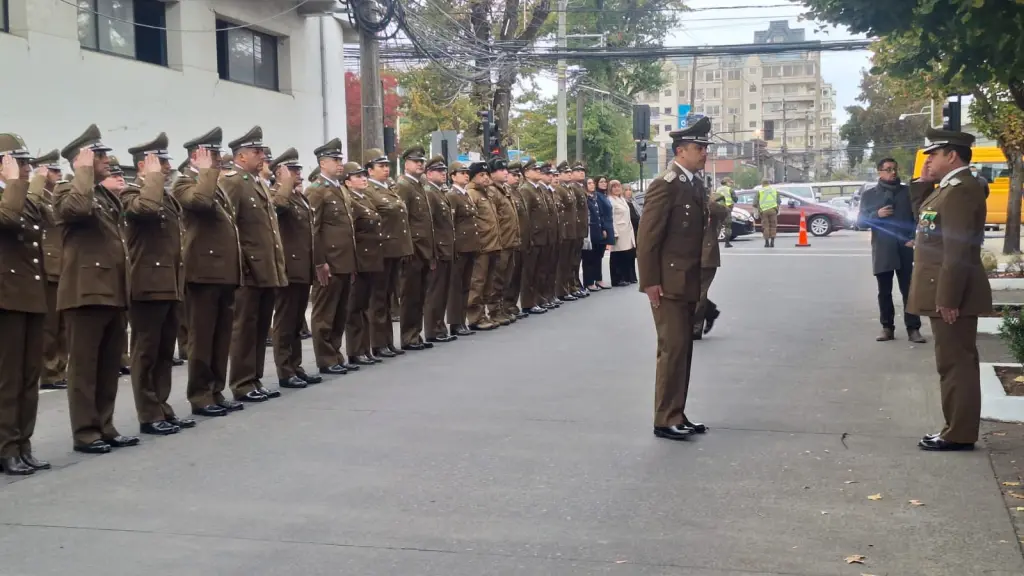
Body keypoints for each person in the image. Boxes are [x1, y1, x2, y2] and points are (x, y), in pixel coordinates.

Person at [54, 125, 139, 454]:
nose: (107, 159)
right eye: (98, 155)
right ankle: (85, 431)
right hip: (85, 293)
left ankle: (105, 424)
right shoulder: (67, 190)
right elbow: (77, 209)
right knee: (84, 368)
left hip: (112, 291)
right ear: (81, 160)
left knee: (107, 366)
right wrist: (84, 172)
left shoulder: (104, 195)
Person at [909, 128, 993, 452]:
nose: (929, 159)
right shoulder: (949, 188)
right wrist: (921, 181)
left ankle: (958, 433)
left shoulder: (960, 190)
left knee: (956, 363)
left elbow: (956, 251)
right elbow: (926, 222)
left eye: (934, 154)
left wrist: (948, 298)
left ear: (952, 155)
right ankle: (954, 428)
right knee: (952, 361)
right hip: (942, 287)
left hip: (950, 291)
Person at [636, 117, 712, 442]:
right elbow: (648, 238)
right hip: (667, 283)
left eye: (705, 147)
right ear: (681, 151)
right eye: (699, 148)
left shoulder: (694, 183)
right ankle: (664, 418)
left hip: (687, 280)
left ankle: (677, 412)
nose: (705, 153)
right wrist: (650, 282)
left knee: (684, 350)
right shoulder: (665, 184)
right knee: (672, 348)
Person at [121, 133, 195, 436]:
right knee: (146, 352)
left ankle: (162, 405)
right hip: (146, 285)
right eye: (160, 162)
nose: (167, 167)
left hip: (169, 283)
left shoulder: (164, 196)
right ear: (144, 166)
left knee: (165, 352)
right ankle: (148, 413)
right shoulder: (130, 194)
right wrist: (150, 179)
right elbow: (145, 210)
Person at [174, 127, 244, 418]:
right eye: (211, 154)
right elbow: (199, 204)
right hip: (202, 273)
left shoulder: (212, 183)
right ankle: (200, 394)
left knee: (220, 337)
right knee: (201, 339)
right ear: (196, 156)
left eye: (216, 154)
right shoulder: (183, 183)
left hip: (223, 273)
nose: (216, 160)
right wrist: (205, 172)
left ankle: (216, 389)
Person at [222, 126, 288, 403]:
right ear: (240, 156)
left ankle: (254, 378)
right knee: (245, 328)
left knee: (260, 328)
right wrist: (242, 265)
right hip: (249, 269)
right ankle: (241, 382)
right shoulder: (234, 182)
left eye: (262, 151)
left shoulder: (257, 182)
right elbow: (230, 227)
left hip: (265, 268)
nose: (262, 155)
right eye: (256, 151)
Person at [0, 134, 50, 474]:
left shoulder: (19, 194)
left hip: (29, 295)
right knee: (8, 378)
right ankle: (6, 448)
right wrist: (13, 181)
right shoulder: (9, 194)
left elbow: (46, 216)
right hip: (6, 298)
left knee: (29, 377)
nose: (28, 168)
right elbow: (7, 219)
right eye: (20, 161)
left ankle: (23, 443)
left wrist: (25, 183)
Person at [268, 148, 325, 387]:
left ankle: (296, 365)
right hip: (288, 267)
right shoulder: (277, 194)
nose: (298, 174)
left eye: (299, 169)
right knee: (284, 321)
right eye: (292, 170)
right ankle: (285, 370)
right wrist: (283, 184)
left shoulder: (298, 196)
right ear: (280, 173)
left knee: (295, 321)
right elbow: (278, 207)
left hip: (303, 267)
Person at [857, 157, 925, 344]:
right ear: (879, 171)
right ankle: (887, 327)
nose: (892, 172)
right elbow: (860, 222)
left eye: (895, 169)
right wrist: (876, 215)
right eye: (888, 169)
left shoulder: (907, 192)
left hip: (905, 247)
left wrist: (914, 238)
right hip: (883, 249)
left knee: (909, 290)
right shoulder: (870, 195)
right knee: (884, 291)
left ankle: (913, 328)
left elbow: (917, 218)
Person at [307, 138, 358, 375]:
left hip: (345, 261)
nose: (340, 164)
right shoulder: (317, 190)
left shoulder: (338, 189)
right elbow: (313, 229)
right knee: (324, 314)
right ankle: (326, 358)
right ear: (322, 163)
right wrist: (320, 262)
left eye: (341, 159)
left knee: (339, 313)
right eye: (335, 160)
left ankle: (335, 353)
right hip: (329, 262)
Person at [364, 148, 412, 358]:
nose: (385, 169)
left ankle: (387, 341)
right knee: (378, 299)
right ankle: (378, 342)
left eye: (387, 166)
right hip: (381, 250)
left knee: (388, 297)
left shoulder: (388, 188)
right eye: (381, 166)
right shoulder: (369, 191)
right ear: (369, 170)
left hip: (394, 250)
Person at [29, 149, 69, 391]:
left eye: (57, 169)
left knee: (62, 325)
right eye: (52, 170)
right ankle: (49, 371)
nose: (58, 174)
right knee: (50, 326)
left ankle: (59, 369)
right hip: (48, 265)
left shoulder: (56, 197)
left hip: (63, 265)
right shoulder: (37, 197)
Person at [340, 161, 385, 366]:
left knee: (365, 305)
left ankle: (365, 348)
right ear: (347, 182)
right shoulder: (349, 200)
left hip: (371, 258)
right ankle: (355, 350)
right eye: (357, 176)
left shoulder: (364, 198)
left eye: (363, 175)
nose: (363, 178)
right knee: (355, 308)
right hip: (359, 258)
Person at [394, 146, 435, 351]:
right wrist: (406, 249)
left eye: (422, 161)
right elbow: (402, 221)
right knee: (410, 296)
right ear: (406, 164)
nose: (420, 164)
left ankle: (415, 334)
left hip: (424, 249)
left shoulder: (419, 185)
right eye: (415, 161)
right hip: (413, 250)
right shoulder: (404, 186)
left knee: (419, 295)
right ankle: (408, 336)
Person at [421, 155, 457, 342]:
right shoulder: (430, 193)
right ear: (428, 174)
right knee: (435, 292)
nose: (444, 174)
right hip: (438, 249)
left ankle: (439, 327)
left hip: (447, 248)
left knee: (443, 291)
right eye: (439, 171)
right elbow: (431, 226)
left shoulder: (440, 192)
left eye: (444, 171)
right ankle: (432, 330)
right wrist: (433, 252)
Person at [465, 161, 502, 331]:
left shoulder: (486, 194)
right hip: (482, 246)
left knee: (488, 283)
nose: (486, 178)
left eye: (487, 175)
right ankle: (475, 317)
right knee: (477, 284)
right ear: (473, 177)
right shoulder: (472, 193)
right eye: (482, 175)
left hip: (493, 245)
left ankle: (484, 314)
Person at [445, 161, 480, 334]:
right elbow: (451, 224)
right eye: (461, 172)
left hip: (470, 246)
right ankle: (454, 322)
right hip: (459, 247)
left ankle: (461, 320)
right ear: (452, 176)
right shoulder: (452, 195)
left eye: (467, 172)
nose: (466, 175)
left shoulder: (465, 195)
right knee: (456, 286)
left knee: (466, 285)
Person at [518, 160, 549, 315]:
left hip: (542, 236)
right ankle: (528, 302)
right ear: (526, 173)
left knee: (539, 270)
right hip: (533, 237)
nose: (538, 171)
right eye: (535, 169)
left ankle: (538, 298)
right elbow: (526, 216)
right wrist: (528, 238)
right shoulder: (526, 190)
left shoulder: (537, 189)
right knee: (530, 272)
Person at [608, 180, 636, 286]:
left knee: (625, 254)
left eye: (618, 186)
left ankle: (625, 276)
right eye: (614, 187)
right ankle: (616, 279)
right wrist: (614, 232)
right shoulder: (610, 200)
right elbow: (611, 218)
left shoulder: (622, 199)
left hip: (627, 230)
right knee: (617, 255)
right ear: (610, 189)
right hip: (618, 230)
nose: (616, 189)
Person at [581, 177, 605, 291]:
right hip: (589, 231)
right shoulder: (585, 198)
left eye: (592, 183)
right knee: (588, 258)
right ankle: (589, 282)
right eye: (589, 183)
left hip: (597, 229)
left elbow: (599, 214)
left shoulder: (594, 198)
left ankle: (597, 279)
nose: (592, 185)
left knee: (597, 256)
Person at [593, 175, 615, 288]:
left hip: (608, 224)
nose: (604, 184)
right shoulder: (597, 196)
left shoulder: (604, 195)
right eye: (601, 182)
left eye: (605, 182)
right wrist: (603, 228)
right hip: (603, 227)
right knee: (597, 255)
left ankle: (598, 278)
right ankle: (597, 279)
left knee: (600, 255)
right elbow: (599, 213)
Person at [623, 185, 641, 283]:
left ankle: (632, 275)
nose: (629, 192)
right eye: (626, 190)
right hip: (628, 229)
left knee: (633, 254)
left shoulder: (633, 202)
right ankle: (627, 276)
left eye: (630, 190)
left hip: (636, 229)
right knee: (628, 254)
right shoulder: (624, 203)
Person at [753, 179, 779, 248]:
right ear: (769, 183)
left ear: (762, 184)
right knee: (773, 226)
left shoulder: (759, 191)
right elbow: (779, 201)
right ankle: (772, 242)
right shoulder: (774, 190)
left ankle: (766, 242)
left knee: (766, 227)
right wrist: (777, 209)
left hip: (763, 211)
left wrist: (757, 211)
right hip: (773, 210)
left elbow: (755, 203)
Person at [714, 177, 736, 248]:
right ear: (727, 182)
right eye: (730, 182)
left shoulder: (717, 189)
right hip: (727, 209)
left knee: (718, 227)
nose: (731, 184)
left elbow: (713, 198)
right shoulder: (730, 190)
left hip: (718, 209)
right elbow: (735, 199)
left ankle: (714, 243)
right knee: (728, 226)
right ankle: (727, 243)